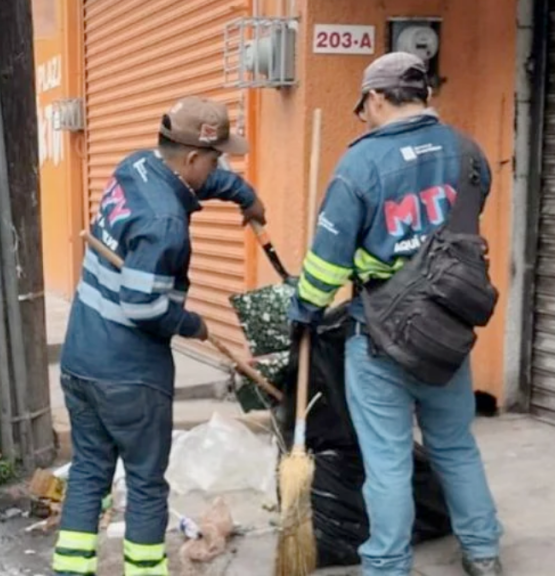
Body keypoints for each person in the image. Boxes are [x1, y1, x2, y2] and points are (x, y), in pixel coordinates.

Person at [287, 52, 503, 576]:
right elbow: (466, 220)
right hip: (448, 333)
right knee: (454, 445)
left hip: (380, 333)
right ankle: (483, 553)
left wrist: (305, 310)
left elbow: (326, 261)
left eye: (365, 107)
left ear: (377, 99)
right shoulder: (468, 151)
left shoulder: (361, 163)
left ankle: (386, 564)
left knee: (386, 459)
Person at [52, 96, 266, 576]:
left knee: (89, 471)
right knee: (147, 483)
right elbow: (143, 305)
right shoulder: (165, 223)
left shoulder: (138, 165)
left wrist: (244, 196)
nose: (218, 166)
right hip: (129, 375)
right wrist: (194, 324)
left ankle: (70, 569)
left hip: (81, 359)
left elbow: (205, 181)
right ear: (192, 158)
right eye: (215, 158)